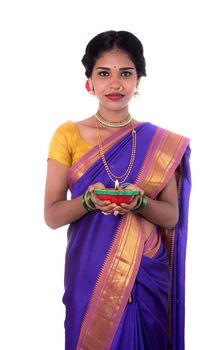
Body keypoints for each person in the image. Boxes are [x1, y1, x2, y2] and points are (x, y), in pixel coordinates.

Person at [44, 30, 191, 350]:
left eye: (125, 73)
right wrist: (88, 201)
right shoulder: (67, 135)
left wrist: (139, 202)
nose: (115, 83)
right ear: (90, 81)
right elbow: (52, 215)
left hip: (145, 270)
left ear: (138, 80)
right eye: (104, 73)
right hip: (89, 272)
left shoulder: (159, 143)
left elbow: (170, 216)